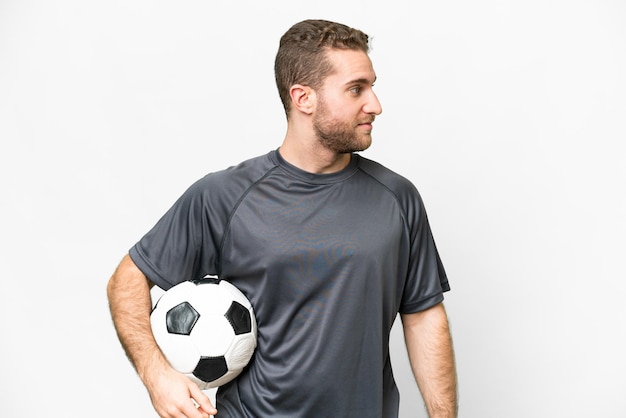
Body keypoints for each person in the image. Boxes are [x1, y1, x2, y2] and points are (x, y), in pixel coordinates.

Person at [107, 19, 457, 418]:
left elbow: (423, 317)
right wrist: (158, 377)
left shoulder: (397, 198)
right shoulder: (224, 196)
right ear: (303, 98)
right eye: (356, 89)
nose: (375, 104)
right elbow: (127, 280)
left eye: (372, 86)